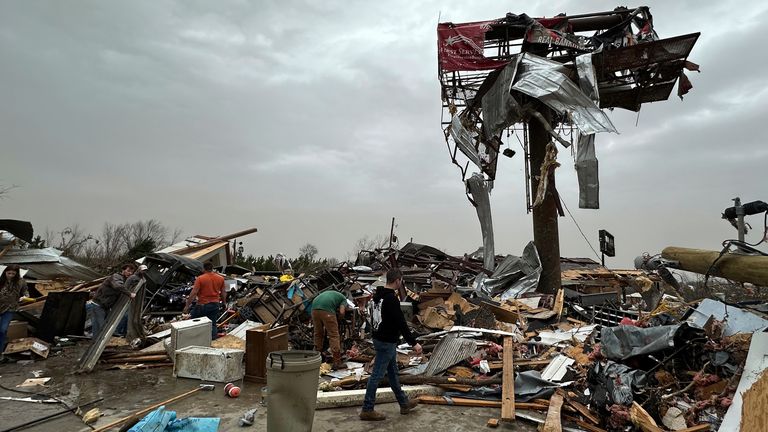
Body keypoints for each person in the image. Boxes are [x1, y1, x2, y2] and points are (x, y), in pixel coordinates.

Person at [360, 268, 423, 421]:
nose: (401, 283)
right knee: (376, 376)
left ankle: (404, 403)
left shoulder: (377, 296)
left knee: (393, 373)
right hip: (386, 341)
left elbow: (374, 318)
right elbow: (401, 322)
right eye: (401, 281)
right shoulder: (391, 299)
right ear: (397, 281)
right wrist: (413, 343)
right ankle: (367, 409)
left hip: (380, 338)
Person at [91, 263, 137, 338]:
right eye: (128, 271)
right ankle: (95, 345)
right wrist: (130, 294)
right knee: (100, 326)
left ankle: (99, 344)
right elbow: (117, 286)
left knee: (106, 326)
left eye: (132, 272)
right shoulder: (116, 277)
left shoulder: (125, 280)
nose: (130, 273)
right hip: (98, 304)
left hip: (106, 306)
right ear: (123, 270)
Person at [183, 262, 225, 340]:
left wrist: (187, 305)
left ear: (204, 269)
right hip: (215, 305)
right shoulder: (221, 278)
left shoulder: (200, 278)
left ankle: (192, 339)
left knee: (193, 321)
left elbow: (194, 293)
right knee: (212, 324)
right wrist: (224, 303)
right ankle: (213, 341)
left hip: (202, 305)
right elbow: (223, 292)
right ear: (212, 268)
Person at [311, 290, 348, 370]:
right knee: (334, 335)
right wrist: (340, 318)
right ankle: (337, 362)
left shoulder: (330, 293)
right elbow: (341, 312)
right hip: (327, 311)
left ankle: (317, 358)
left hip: (314, 309)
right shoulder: (343, 298)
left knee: (318, 333)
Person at [0, 265, 28, 361]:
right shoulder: (1, 280)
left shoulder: (20, 282)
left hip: (10, 308)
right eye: (9, 273)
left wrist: (24, 297)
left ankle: (0, 353)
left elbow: (25, 291)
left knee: (2, 330)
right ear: (5, 272)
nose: (11, 275)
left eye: (13, 274)